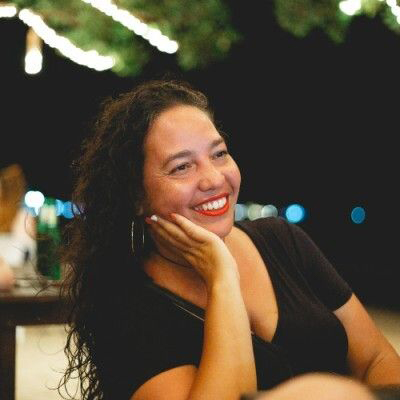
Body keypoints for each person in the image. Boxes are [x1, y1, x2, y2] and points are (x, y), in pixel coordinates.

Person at [59, 79, 400, 400]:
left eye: (219, 154)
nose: (213, 179)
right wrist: (222, 277)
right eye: (182, 167)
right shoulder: (125, 304)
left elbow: (376, 358)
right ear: (136, 197)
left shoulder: (282, 239)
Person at [0, 163, 36, 290]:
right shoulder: (24, 216)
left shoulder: (22, 216)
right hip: (14, 275)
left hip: (13, 274)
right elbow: (30, 252)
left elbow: (27, 252)